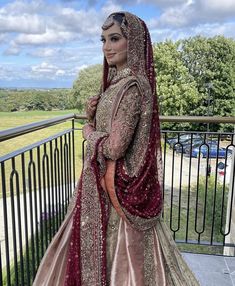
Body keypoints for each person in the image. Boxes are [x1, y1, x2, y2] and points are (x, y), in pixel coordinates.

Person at [33, 12, 199, 285]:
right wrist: (92, 115)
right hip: (105, 187)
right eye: (103, 40)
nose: (106, 47)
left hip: (117, 192)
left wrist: (88, 132)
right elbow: (110, 130)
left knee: (123, 262)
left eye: (115, 39)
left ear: (132, 42)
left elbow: (114, 147)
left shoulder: (131, 87)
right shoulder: (118, 84)